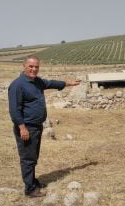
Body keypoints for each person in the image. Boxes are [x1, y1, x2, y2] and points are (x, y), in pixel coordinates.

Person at [8, 55, 81, 198]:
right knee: (27, 158)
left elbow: (51, 83)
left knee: (33, 156)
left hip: (36, 126)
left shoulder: (37, 81)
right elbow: (14, 110)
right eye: (31, 66)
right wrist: (22, 128)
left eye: (36, 67)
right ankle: (30, 189)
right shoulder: (17, 85)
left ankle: (33, 181)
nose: (34, 69)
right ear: (24, 66)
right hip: (26, 127)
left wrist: (69, 83)